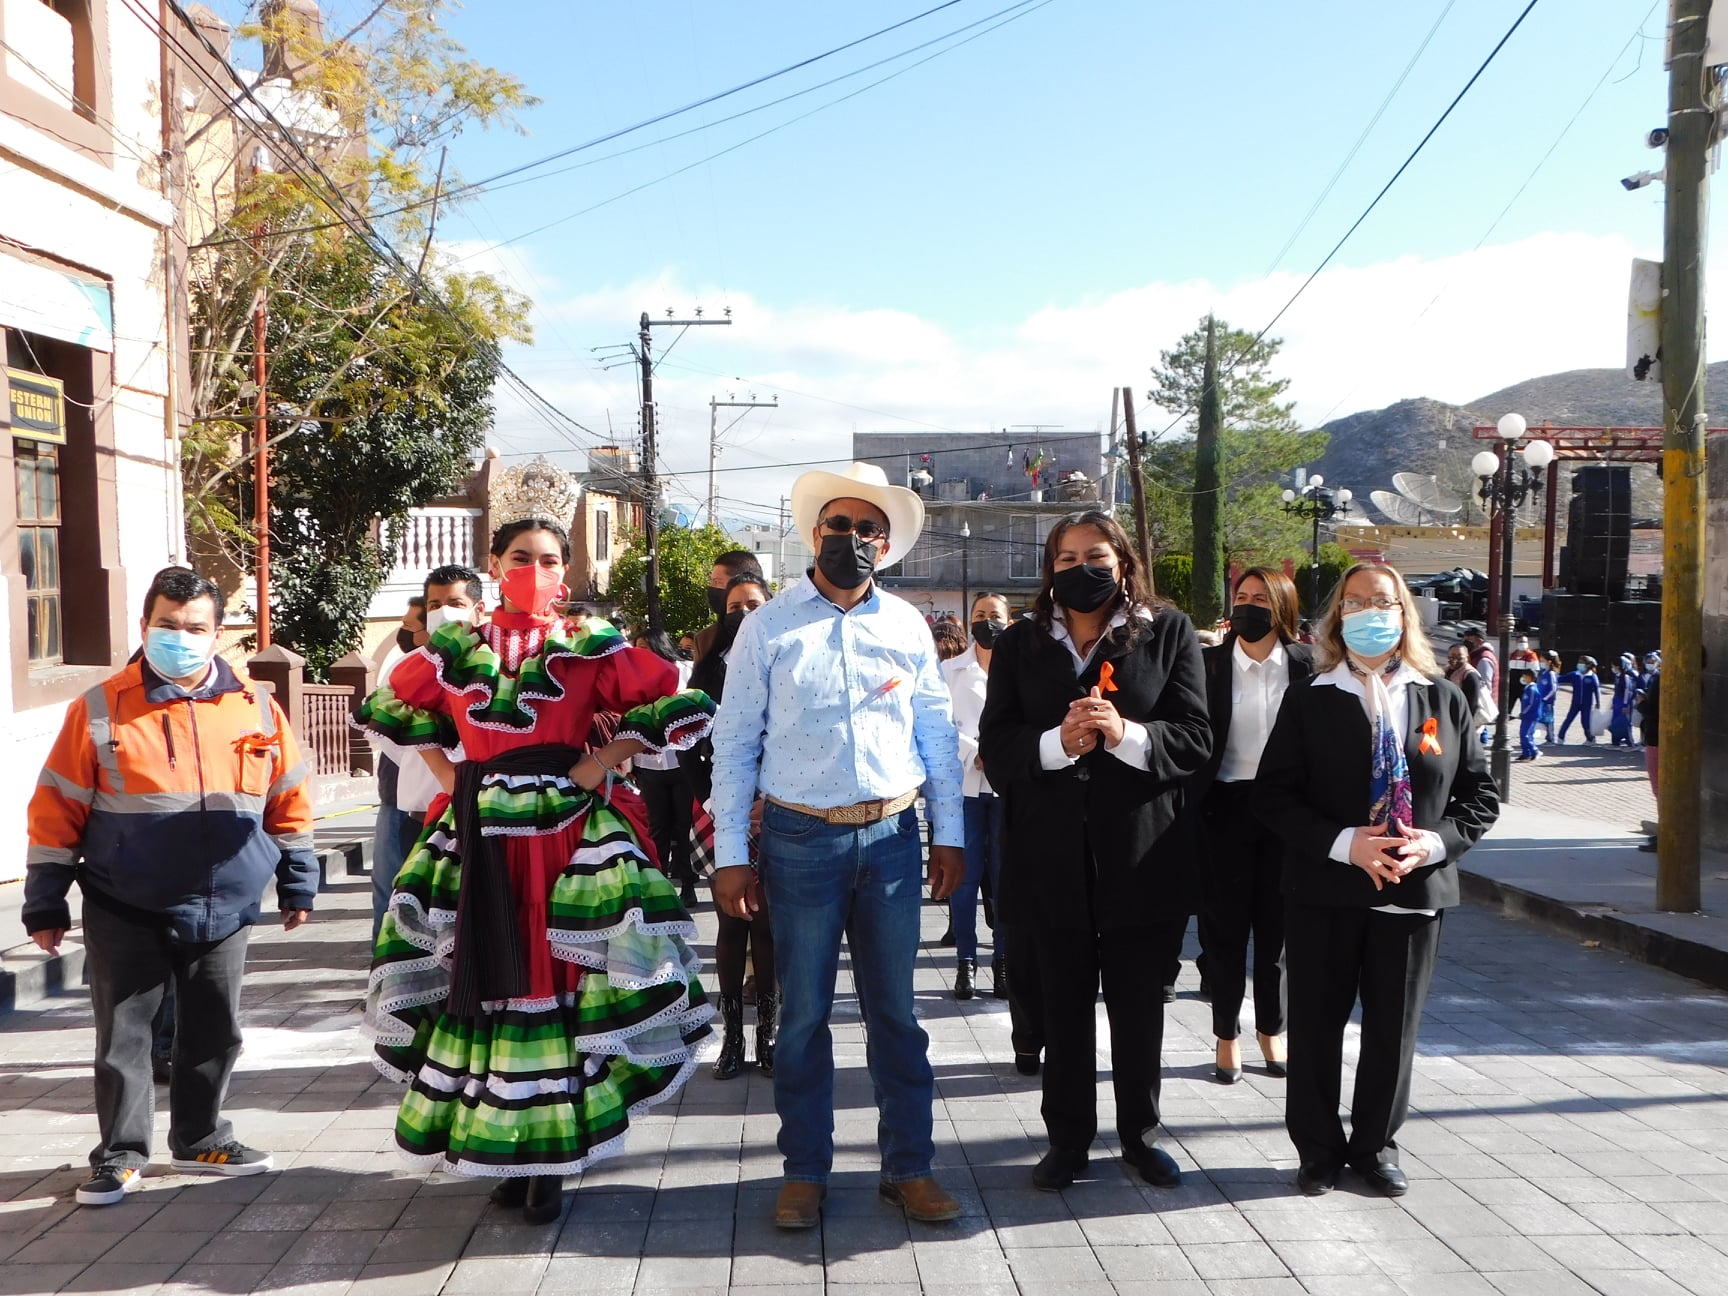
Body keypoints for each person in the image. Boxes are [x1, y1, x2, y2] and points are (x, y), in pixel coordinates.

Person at [357, 517, 715, 1225]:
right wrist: (453, 776)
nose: (535, 569)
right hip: (477, 829)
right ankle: (509, 1150)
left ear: (567, 573)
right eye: (520, 557)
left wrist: (595, 767)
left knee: (556, 979)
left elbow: (668, 701)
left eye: (549, 560)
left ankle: (550, 1159)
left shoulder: (587, 644)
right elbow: (401, 709)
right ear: (493, 562)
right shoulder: (453, 645)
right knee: (485, 978)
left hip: (566, 835)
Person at [709, 462, 966, 1231]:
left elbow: (937, 738)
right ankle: (806, 1171)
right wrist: (730, 852)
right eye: (838, 526)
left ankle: (909, 1167)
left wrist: (947, 834)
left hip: (891, 836)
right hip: (798, 840)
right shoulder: (768, 625)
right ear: (814, 534)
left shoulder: (907, 626)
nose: (851, 539)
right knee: (802, 1016)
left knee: (897, 1014)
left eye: (867, 530)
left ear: (885, 545)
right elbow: (734, 744)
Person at [25, 567, 319, 1206]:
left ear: (217, 634)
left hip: (228, 904)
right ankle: (121, 1155)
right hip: (125, 900)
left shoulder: (257, 706)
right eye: (167, 625)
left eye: (194, 627)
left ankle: (203, 1137)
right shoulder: (101, 707)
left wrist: (299, 880)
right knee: (125, 1035)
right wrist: (44, 898)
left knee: (215, 1028)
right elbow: (57, 806)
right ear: (144, 626)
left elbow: (288, 796)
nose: (179, 637)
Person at [978, 510, 1211, 1194]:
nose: (1081, 567)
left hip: (1142, 856)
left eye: (1096, 554)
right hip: (1049, 859)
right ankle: (1068, 1142)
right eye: (1065, 555)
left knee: (1138, 1006)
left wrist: (1124, 734)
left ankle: (1140, 1137)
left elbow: (1195, 738)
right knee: (1063, 1007)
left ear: (1122, 561)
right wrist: (1060, 743)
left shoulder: (1166, 632)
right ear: (1049, 568)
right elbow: (999, 746)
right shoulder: (1022, 643)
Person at [1255, 562, 1498, 1199]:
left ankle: (1375, 1148)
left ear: (1405, 612)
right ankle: (1317, 1151)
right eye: (1357, 602)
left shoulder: (1442, 697)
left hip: (1413, 892)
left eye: (1384, 601)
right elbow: (1274, 797)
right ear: (1339, 616)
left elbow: (1478, 797)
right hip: (1324, 890)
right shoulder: (1311, 697)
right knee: (1315, 1025)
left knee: (1393, 1030)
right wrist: (1345, 844)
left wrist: (1434, 842)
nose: (1371, 612)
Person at [1191, 568, 1312, 1086]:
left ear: (1282, 606)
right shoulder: (1209, 665)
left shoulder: (1309, 666)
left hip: (1288, 814)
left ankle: (1272, 1030)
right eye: (1242, 597)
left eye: (1261, 598)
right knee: (1224, 931)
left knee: (1277, 932)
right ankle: (1226, 1036)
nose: (1249, 606)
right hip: (1224, 810)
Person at [682, 571, 777, 1080]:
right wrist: (719, 801)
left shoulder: (781, 654)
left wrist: (771, 797)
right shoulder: (707, 669)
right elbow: (686, 746)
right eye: (735, 604)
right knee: (729, 925)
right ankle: (732, 1040)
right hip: (721, 811)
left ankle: (768, 1035)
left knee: (765, 925)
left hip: (777, 809)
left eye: (753, 603)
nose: (743, 612)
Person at [371, 572, 484, 938]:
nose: (444, 613)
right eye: (435, 605)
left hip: (483, 806)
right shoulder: (405, 669)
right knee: (415, 910)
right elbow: (392, 738)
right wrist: (438, 766)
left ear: (477, 611)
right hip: (420, 809)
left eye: (456, 604)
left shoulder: (495, 664)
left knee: (470, 911)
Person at [942, 593, 1012, 1004]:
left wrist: (999, 752)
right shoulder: (951, 669)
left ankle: (1003, 961)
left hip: (1006, 789)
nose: (987, 622)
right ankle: (965, 962)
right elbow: (937, 721)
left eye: (995, 616)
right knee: (965, 880)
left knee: (1005, 880)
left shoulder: (1022, 667)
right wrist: (975, 750)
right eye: (980, 615)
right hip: (964, 788)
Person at [369, 597, 428, 938]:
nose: (403, 633)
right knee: (388, 892)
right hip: (395, 796)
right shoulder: (403, 669)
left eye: (410, 626)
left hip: (436, 803)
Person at [631, 629, 700, 906]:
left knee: (684, 826)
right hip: (648, 764)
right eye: (637, 647)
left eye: (646, 647)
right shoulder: (632, 679)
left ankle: (688, 882)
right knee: (658, 827)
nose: (641, 653)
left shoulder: (682, 670)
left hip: (681, 762)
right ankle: (658, 886)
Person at [693, 549, 767, 661]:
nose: (712, 588)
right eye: (711, 582)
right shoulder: (705, 639)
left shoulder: (783, 634)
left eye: (718, 582)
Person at [1558, 656, 1602, 743]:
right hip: (1575, 703)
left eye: (1582, 663)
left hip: (1587, 704)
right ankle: (1560, 737)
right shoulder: (1575, 674)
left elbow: (1597, 690)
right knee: (1568, 719)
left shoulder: (1592, 677)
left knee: (1585, 723)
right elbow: (1560, 678)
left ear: (1588, 665)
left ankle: (1590, 739)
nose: (1579, 664)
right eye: (1579, 662)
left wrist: (1598, 702)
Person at [1609, 653, 1639, 747]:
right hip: (1617, 701)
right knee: (1615, 721)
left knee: (1626, 722)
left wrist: (1625, 705)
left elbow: (1627, 691)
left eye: (1614, 666)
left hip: (1623, 702)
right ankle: (1615, 742)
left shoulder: (1625, 677)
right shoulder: (1617, 676)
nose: (1613, 668)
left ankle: (1630, 741)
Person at [1462, 628, 1497, 698]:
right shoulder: (1475, 656)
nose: (1464, 642)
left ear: (1479, 641)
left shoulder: (1484, 659)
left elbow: (1485, 688)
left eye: (1468, 640)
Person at [1516, 669, 1543, 761]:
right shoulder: (1527, 688)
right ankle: (1526, 753)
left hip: (1531, 716)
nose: (1523, 678)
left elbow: (1531, 704)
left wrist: (1523, 713)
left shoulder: (1532, 689)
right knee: (1523, 733)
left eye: (1524, 676)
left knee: (1526, 734)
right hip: (1527, 716)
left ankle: (1534, 751)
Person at [1537, 651, 1561, 743]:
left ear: (1549, 661)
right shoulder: (1543, 673)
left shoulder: (1551, 674)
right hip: (1541, 700)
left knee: (1549, 720)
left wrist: (1546, 698)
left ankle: (1551, 738)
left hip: (1547, 702)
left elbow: (1553, 689)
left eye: (1542, 660)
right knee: (1541, 718)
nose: (1541, 662)